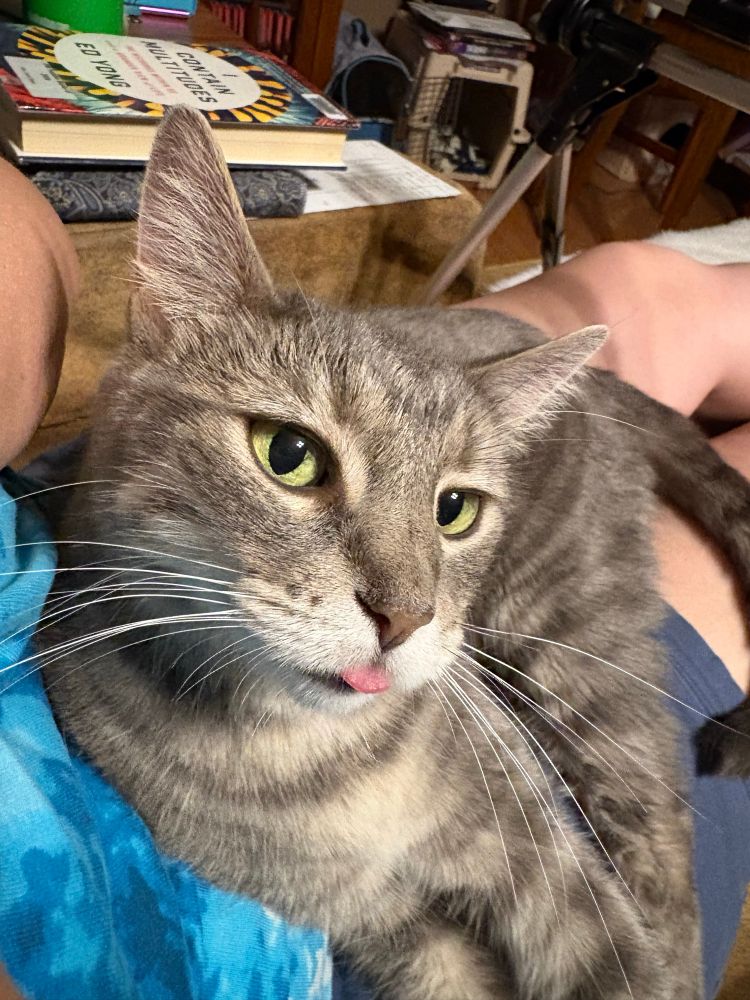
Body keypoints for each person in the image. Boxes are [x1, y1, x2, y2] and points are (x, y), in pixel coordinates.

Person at [0, 156, 748, 998]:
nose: (404, 604)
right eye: (294, 457)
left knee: (636, 288)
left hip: (508, 441)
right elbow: (409, 938)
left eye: (455, 511)